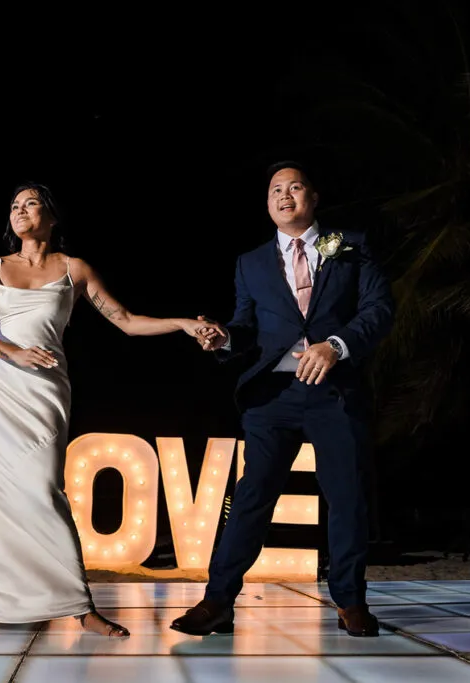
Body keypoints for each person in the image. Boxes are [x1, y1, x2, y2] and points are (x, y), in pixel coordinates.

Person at [0, 181, 217, 635]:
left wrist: (181, 323)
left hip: (43, 394)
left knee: (43, 491)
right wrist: (13, 352)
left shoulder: (74, 269)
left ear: (52, 214)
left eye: (31, 203)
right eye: (14, 206)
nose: (20, 211)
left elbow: (125, 321)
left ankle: (79, 606)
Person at [171, 161, 395, 637]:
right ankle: (217, 601)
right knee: (252, 496)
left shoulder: (351, 246)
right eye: (275, 189)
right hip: (273, 396)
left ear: (313, 198)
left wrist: (336, 346)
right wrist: (223, 339)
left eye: (295, 187)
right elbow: (247, 329)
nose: (284, 195)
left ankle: (351, 601)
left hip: (334, 393)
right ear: (268, 203)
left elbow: (379, 309)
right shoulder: (250, 263)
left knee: (346, 497)